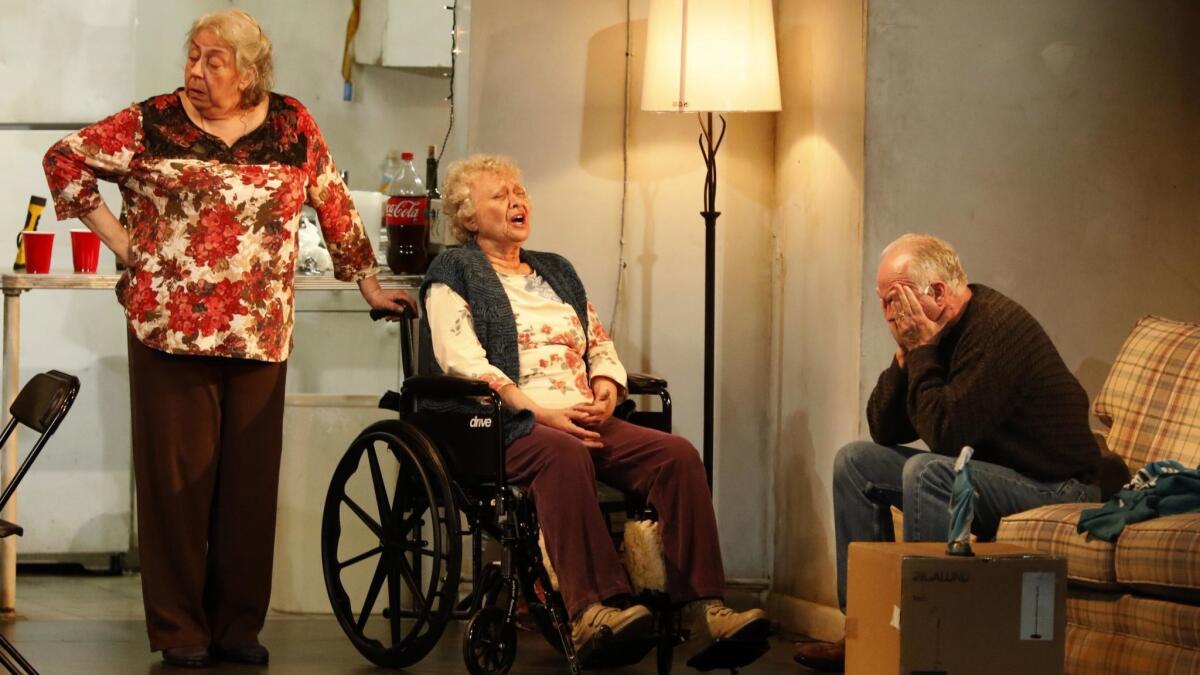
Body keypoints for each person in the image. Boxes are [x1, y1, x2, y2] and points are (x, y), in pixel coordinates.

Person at [42, 10, 411, 669]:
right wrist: (125, 245)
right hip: (168, 326)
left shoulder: (292, 123)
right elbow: (64, 157)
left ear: (250, 72)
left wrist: (367, 281)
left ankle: (238, 623)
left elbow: (329, 198)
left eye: (214, 60)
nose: (195, 70)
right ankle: (179, 628)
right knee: (177, 486)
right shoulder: (154, 119)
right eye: (192, 55)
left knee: (247, 486)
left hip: (259, 326)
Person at [421, 154, 768, 657]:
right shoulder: (454, 269)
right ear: (468, 216)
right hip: (504, 423)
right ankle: (592, 610)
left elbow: (598, 343)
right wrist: (539, 413)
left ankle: (703, 609)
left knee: (677, 456)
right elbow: (463, 362)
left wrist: (608, 388)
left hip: (581, 413)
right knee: (562, 454)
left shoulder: (557, 270)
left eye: (520, 191)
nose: (517, 200)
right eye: (499, 195)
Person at [794, 233, 1100, 672]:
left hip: (1055, 485)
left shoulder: (995, 331)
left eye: (894, 300)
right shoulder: (937, 333)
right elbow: (884, 427)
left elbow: (945, 436)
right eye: (883, 302)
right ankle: (864, 627)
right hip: (992, 471)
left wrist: (921, 349)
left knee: (927, 471)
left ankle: (929, 635)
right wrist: (907, 354)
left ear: (936, 292)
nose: (889, 315)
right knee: (854, 461)